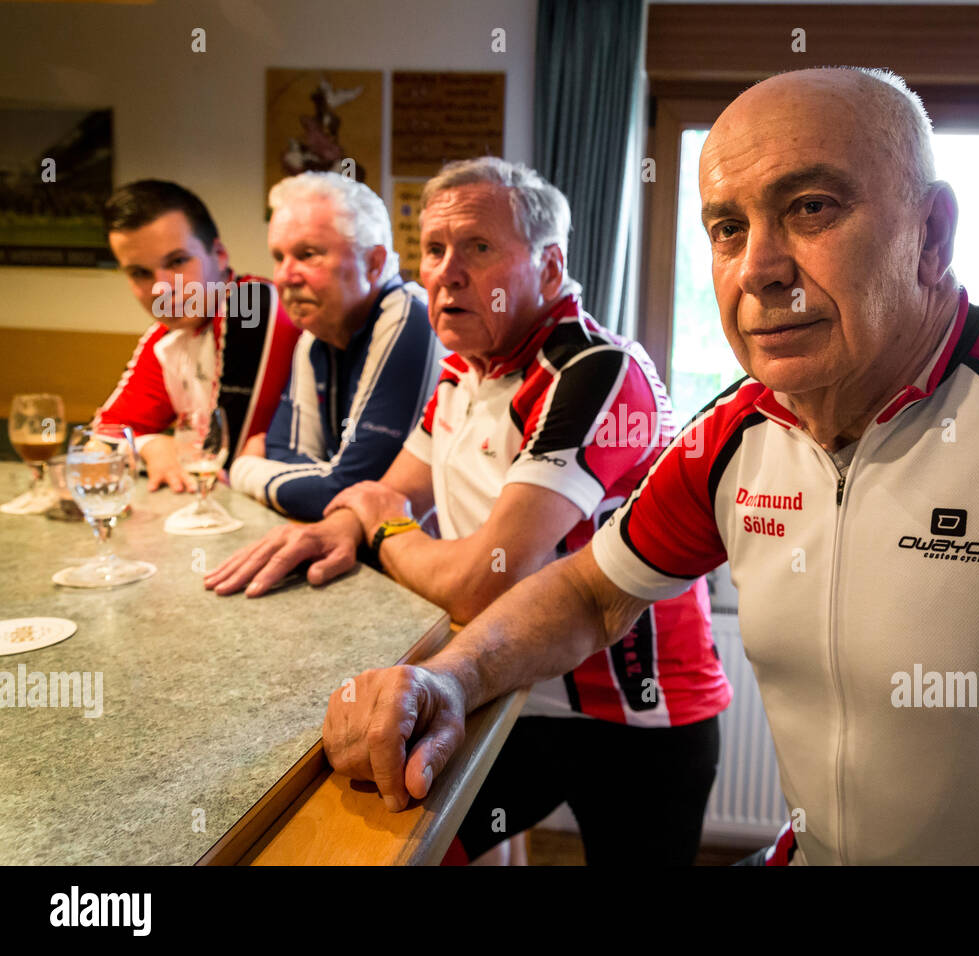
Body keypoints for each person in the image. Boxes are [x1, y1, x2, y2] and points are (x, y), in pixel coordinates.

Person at [314, 67, 979, 866]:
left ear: (932, 233)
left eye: (813, 206)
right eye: (727, 226)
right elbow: (584, 591)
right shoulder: (734, 435)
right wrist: (450, 676)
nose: (759, 268)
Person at [206, 158, 732, 865]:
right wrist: (336, 525)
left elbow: (486, 575)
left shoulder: (596, 370)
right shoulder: (464, 368)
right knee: (400, 844)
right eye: (433, 250)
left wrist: (384, 528)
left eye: (478, 248)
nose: (446, 273)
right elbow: (389, 490)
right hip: (508, 678)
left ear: (549, 268)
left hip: (639, 714)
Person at [228, 172, 438, 521]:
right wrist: (317, 477)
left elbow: (350, 487)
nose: (284, 276)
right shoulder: (315, 334)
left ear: (372, 263)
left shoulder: (408, 316)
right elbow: (285, 452)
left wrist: (243, 468)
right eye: (279, 257)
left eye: (308, 255)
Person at [98, 179, 300, 491]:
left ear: (219, 254)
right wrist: (151, 446)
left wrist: (155, 446)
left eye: (177, 261)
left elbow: (223, 464)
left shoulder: (252, 306)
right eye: (140, 273)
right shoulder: (167, 337)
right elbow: (99, 441)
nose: (162, 288)